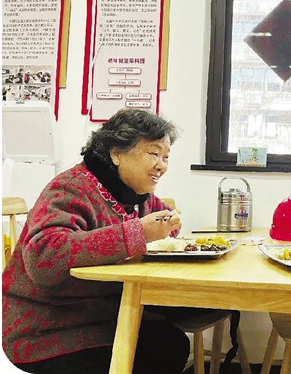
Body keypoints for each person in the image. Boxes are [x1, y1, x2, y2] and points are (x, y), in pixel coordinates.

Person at [2, 108, 214, 374]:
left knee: (172, 343)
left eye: (166, 156)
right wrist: (138, 233)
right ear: (116, 153)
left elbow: (164, 227)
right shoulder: (71, 187)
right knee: (160, 351)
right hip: (47, 328)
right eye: (153, 153)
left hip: (100, 316)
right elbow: (44, 257)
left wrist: (168, 228)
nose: (162, 165)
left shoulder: (137, 195)